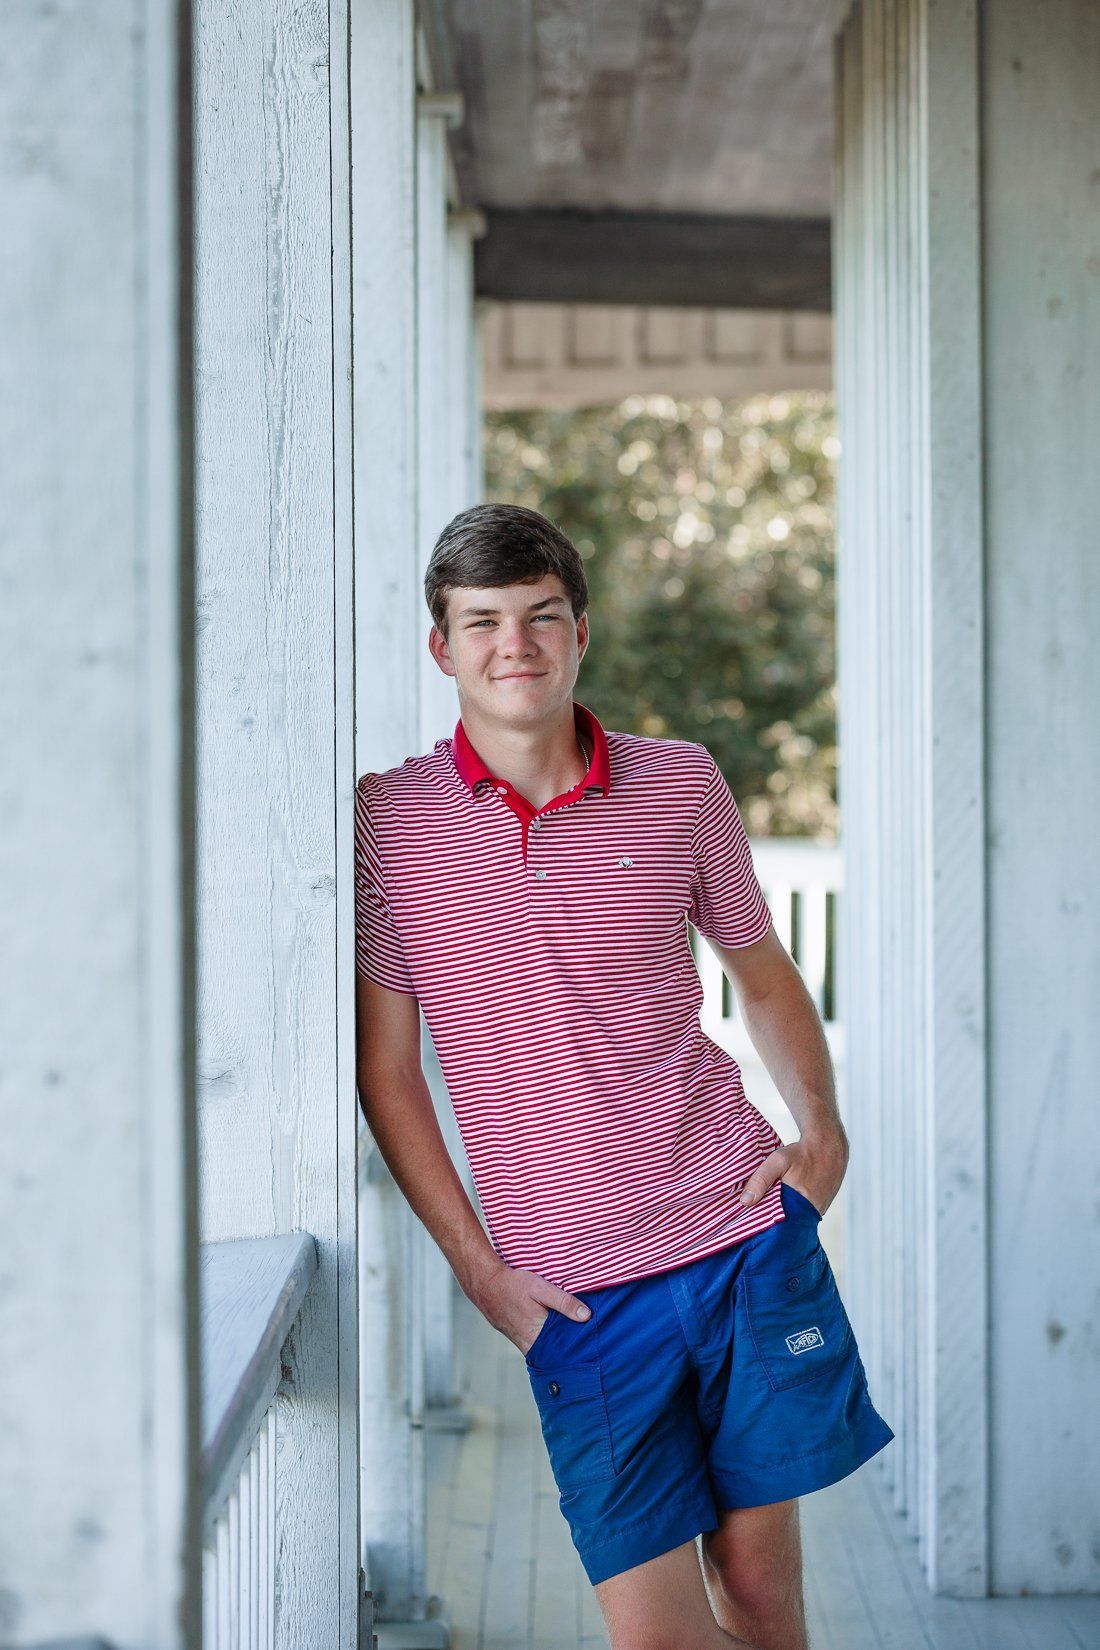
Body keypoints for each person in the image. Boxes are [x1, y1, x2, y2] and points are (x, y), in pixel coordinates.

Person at [354, 501, 893, 1650]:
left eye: (541, 616)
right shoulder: (387, 823)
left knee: (758, 1598)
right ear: (440, 647)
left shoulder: (678, 783)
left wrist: (822, 1132)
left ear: (581, 631)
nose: (516, 645)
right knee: (655, 1635)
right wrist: (477, 1271)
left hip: (736, 1229)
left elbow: (761, 969)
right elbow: (388, 1072)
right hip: (577, 1295)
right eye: (483, 621)